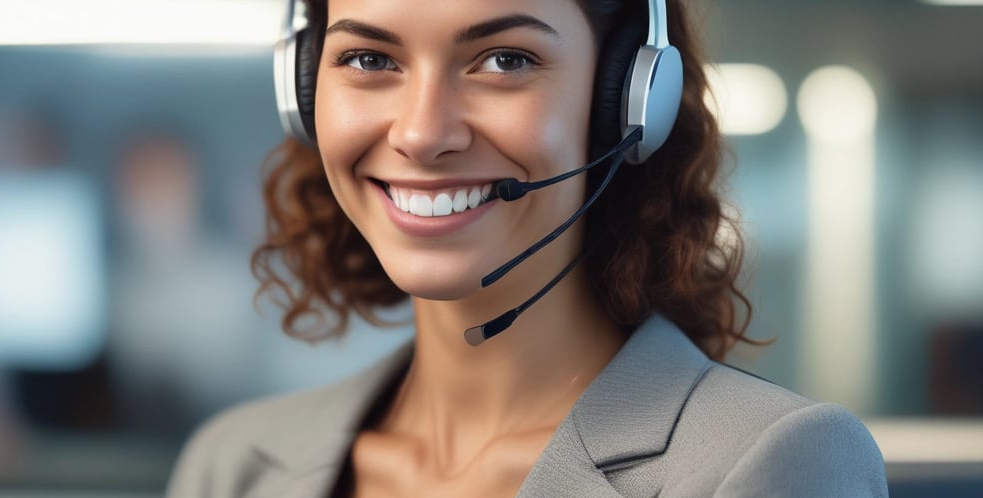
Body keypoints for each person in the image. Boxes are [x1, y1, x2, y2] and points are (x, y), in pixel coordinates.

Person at [168, 0, 888, 496]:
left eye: (505, 59)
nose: (422, 133)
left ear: (629, 103)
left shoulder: (773, 462)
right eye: (368, 58)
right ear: (304, 89)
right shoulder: (231, 467)